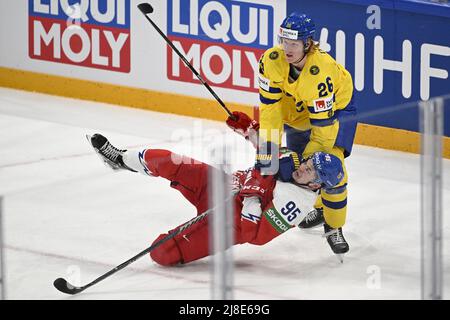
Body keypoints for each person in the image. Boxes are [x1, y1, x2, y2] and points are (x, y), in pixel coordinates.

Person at [87, 133, 345, 266]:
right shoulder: (295, 163)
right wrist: (248, 131)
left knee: (161, 252)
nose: (304, 167)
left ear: (316, 184)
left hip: (227, 224)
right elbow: (266, 151)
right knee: (172, 161)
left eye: (310, 170)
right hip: (222, 186)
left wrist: (252, 197)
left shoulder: (296, 204)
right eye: (309, 162)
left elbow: (256, 236)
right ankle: (120, 159)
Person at [226, 11, 357, 256]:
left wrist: (302, 164)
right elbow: (271, 112)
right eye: (284, 41)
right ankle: (318, 207)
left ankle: (334, 226)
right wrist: (269, 153)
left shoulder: (321, 74)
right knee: (297, 166)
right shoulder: (270, 60)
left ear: (308, 43)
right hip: (297, 109)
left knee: (327, 168)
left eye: (294, 44)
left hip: (337, 112)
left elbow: (323, 134)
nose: (287, 48)